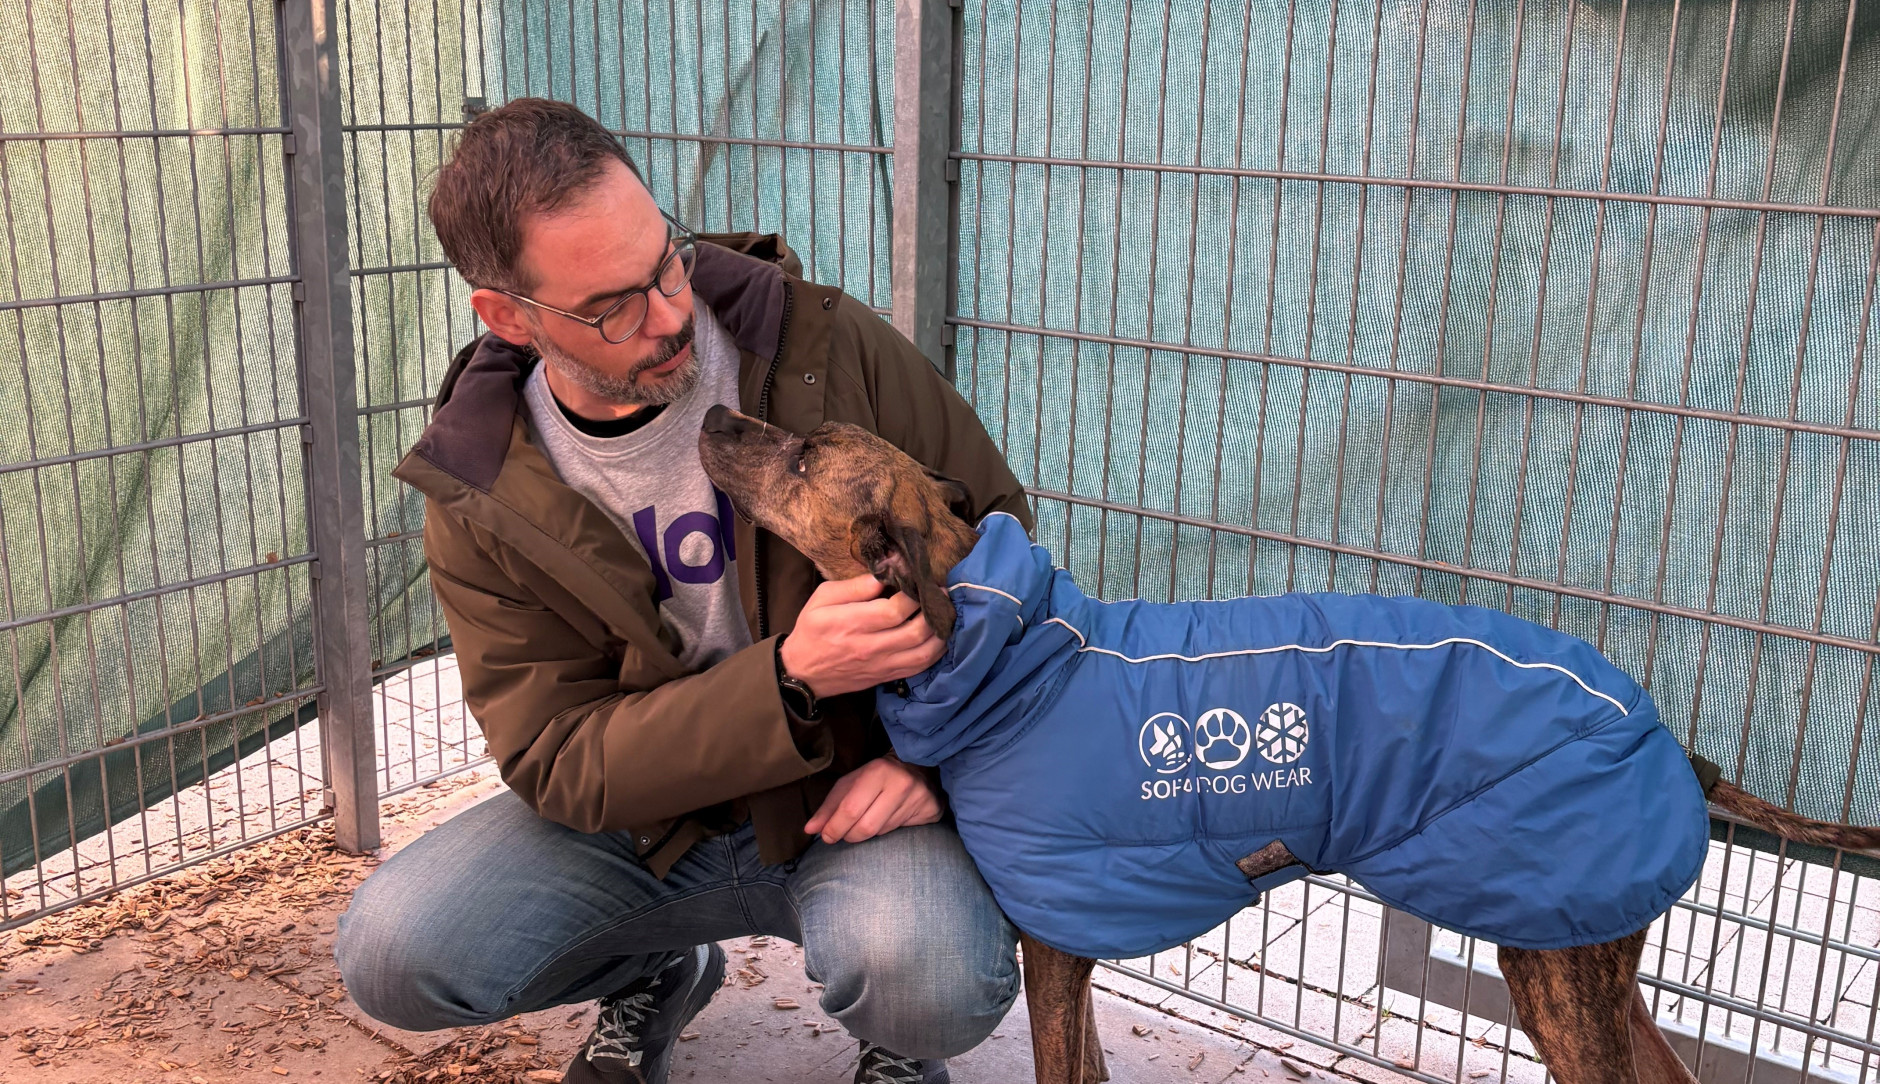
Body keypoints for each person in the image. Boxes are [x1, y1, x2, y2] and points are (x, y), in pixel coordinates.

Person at [332, 98, 1033, 1084]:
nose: (668, 314)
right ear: (507, 316)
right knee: (394, 950)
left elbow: (1005, 553)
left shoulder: (823, 346)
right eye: (611, 305)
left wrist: (933, 765)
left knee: (925, 973)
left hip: (857, 794)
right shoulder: (477, 479)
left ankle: (900, 1039)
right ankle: (655, 972)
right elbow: (558, 757)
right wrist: (785, 677)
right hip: (653, 829)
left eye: (666, 259)